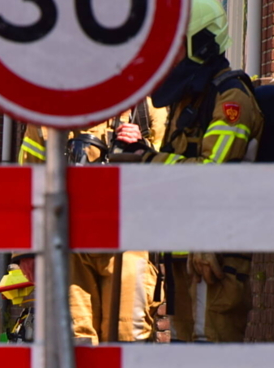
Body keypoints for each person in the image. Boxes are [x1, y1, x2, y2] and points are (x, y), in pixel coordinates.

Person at [115, 0, 263, 345]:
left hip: (216, 258)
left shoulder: (231, 100)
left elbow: (211, 173)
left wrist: (147, 159)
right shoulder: (189, 102)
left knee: (210, 364)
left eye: (173, 45)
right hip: (185, 256)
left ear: (203, 43)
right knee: (184, 361)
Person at [16, 99, 167, 343]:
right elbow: (28, 182)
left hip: (129, 244)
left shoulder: (144, 108)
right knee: (75, 339)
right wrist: (27, 250)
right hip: (68, 247)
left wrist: (144, 148)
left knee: (128, 336)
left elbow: (172, 167)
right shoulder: (47, 115)